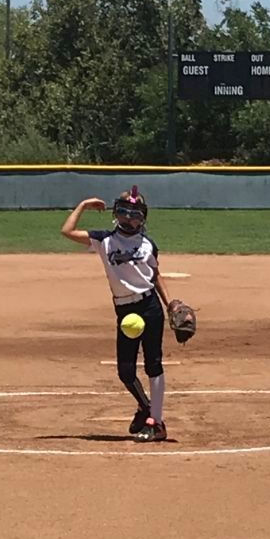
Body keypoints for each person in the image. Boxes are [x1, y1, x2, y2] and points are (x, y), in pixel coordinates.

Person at [61, 186, 173, 442]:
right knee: (125, 371)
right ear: (116, 213)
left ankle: (156, 423)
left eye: (135, 214)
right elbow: (67, 231)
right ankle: (145, 407)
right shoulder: (104, 240)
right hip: (125, 310)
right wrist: (84, 204)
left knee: (154, 365)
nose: (129, 218)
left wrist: (170, 305)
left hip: (150, 307)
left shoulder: (148, 245)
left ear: (143, 217)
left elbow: (155, 276)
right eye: (124, 212)